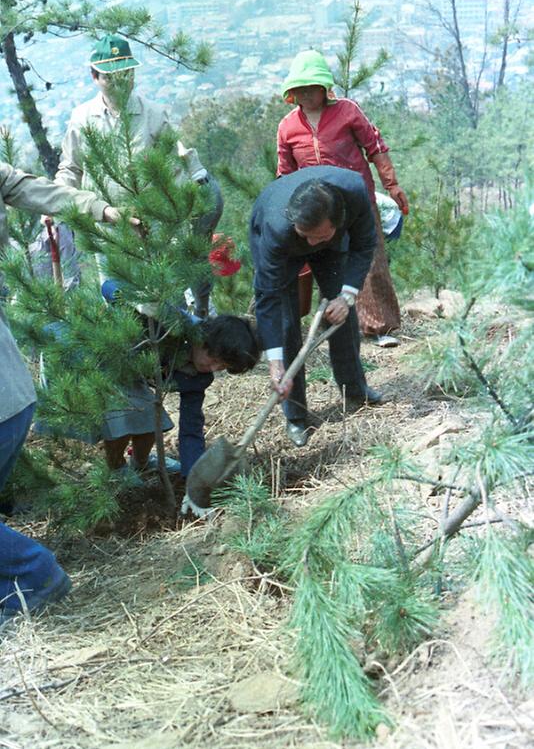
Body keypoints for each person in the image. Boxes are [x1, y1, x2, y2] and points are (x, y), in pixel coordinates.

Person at [0, 162, 121, 624]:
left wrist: (100, 207)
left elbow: (42, 191)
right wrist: (101, 208)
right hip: (15, 394)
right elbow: (41, 191)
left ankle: (37, 575)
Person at [48, 33, 223, 315]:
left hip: (154, 229)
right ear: (95, 78)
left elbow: (174, 171)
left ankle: (172, 357)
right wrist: (53, 202)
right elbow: (71, 168)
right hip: (108, 229)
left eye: (126, 74)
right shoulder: (82, 119)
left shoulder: (154, 114)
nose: (119, 82)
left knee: (164, 306)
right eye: (110, 77)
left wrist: (174, 221)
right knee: (121, 306)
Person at [277, 49, 409, 347]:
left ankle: (380, 327)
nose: (306, 95)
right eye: (300, 90)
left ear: (324, 89)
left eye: (311, 88)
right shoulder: (287, 127)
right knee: (327, 263)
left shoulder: (348, 111)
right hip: (317, 206)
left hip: (357, 199)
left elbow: (375, 146)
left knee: (370, 257)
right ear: (292, 92)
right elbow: (285, 172)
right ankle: (336, 327)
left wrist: (392, 184)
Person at [249, 165, 381, 447]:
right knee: (286, 325)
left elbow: (365, 244)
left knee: (341, 313)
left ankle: (355, 389)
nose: (310, 244)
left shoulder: (354, 192)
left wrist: (347, 296)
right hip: (283, 250)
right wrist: (274, 363)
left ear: (338, 219)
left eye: (317, 236)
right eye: (305, 235)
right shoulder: (276, 226)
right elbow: (267, 296)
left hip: (333, 247)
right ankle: (296, 416)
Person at [100, 280, 260, 479]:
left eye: (223, 367)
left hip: (138, 378)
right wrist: (137, 299)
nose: (213, 368)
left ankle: (141, 463)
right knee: (127, 414)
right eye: (215, 359)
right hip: (110, 360)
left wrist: (193, 478)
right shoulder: (175, 321)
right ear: (205, 339)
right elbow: (108, 286)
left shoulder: (197, 378)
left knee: (152, 416)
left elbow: (191, 429)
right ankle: (117, 469)